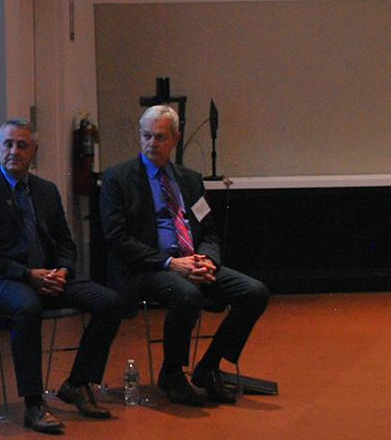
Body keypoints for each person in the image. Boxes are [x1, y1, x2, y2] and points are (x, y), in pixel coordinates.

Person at [0, 119, 125, 434]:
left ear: (33, 151)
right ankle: (34, 403)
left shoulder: (45, 190)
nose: (14, 151)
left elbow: (65, 241)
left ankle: (78, 383)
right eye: (7, 144)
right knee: (28, 306)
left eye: (22, 145)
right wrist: (27, 275)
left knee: (110, 302)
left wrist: (62, 270)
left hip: (47, 276)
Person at [99, 104, 270, 406]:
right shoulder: (118, 179)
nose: (152, 144)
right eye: (146, 136)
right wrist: (171, 263)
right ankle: (172, 372)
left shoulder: (190, 180)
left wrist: (207, 260)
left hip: (192, 262)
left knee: (254, 292)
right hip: (145, 269)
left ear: (176, 139)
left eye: (161, 137)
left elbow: (210, 231)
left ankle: (209, 367)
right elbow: (117, 240)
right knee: (187, 295)